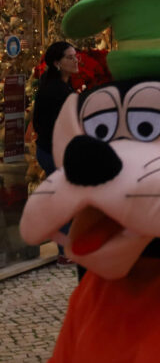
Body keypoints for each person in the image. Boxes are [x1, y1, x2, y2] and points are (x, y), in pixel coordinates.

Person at [32, 41, 79, 266]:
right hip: (53, 152)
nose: (76, 60)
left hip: (54, 150)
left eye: (75, 56)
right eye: (70, 57)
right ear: (57, 63)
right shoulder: (56, 91)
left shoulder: (60, 86)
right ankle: (65, 251)